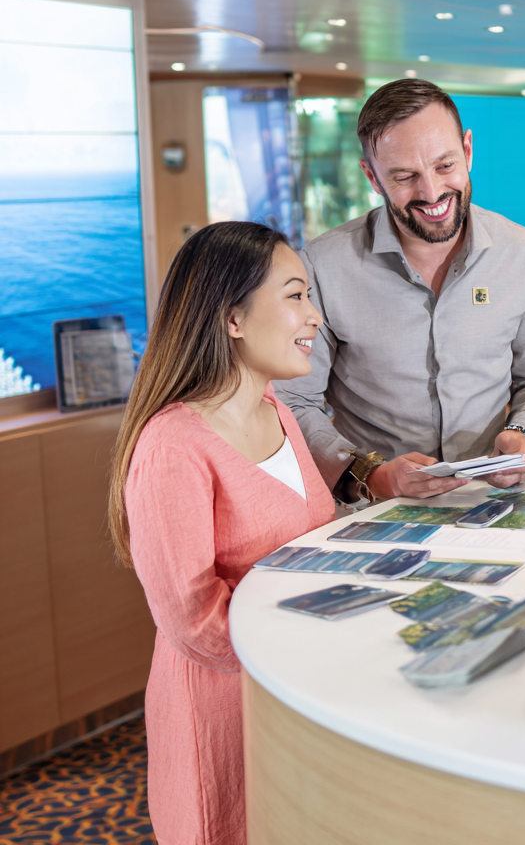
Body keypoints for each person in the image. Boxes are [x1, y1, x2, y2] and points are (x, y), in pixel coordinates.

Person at [108, 222, 335, 845]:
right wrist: (312, 639)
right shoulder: (172, 449)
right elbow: (196, 620)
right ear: (233, 318)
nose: (313, 316)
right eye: (295, 296)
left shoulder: (280, 414)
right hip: (221, 714)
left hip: (293, 693)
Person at [275, 79, 525, 504]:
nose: (431, 192)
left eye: (445, 166)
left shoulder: (523, 252)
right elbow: (291, 400)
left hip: (492, 499)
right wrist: (369, 474)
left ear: (468, 151)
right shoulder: (322, 266)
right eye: (405, 176)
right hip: (375, 509)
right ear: (372, 177)